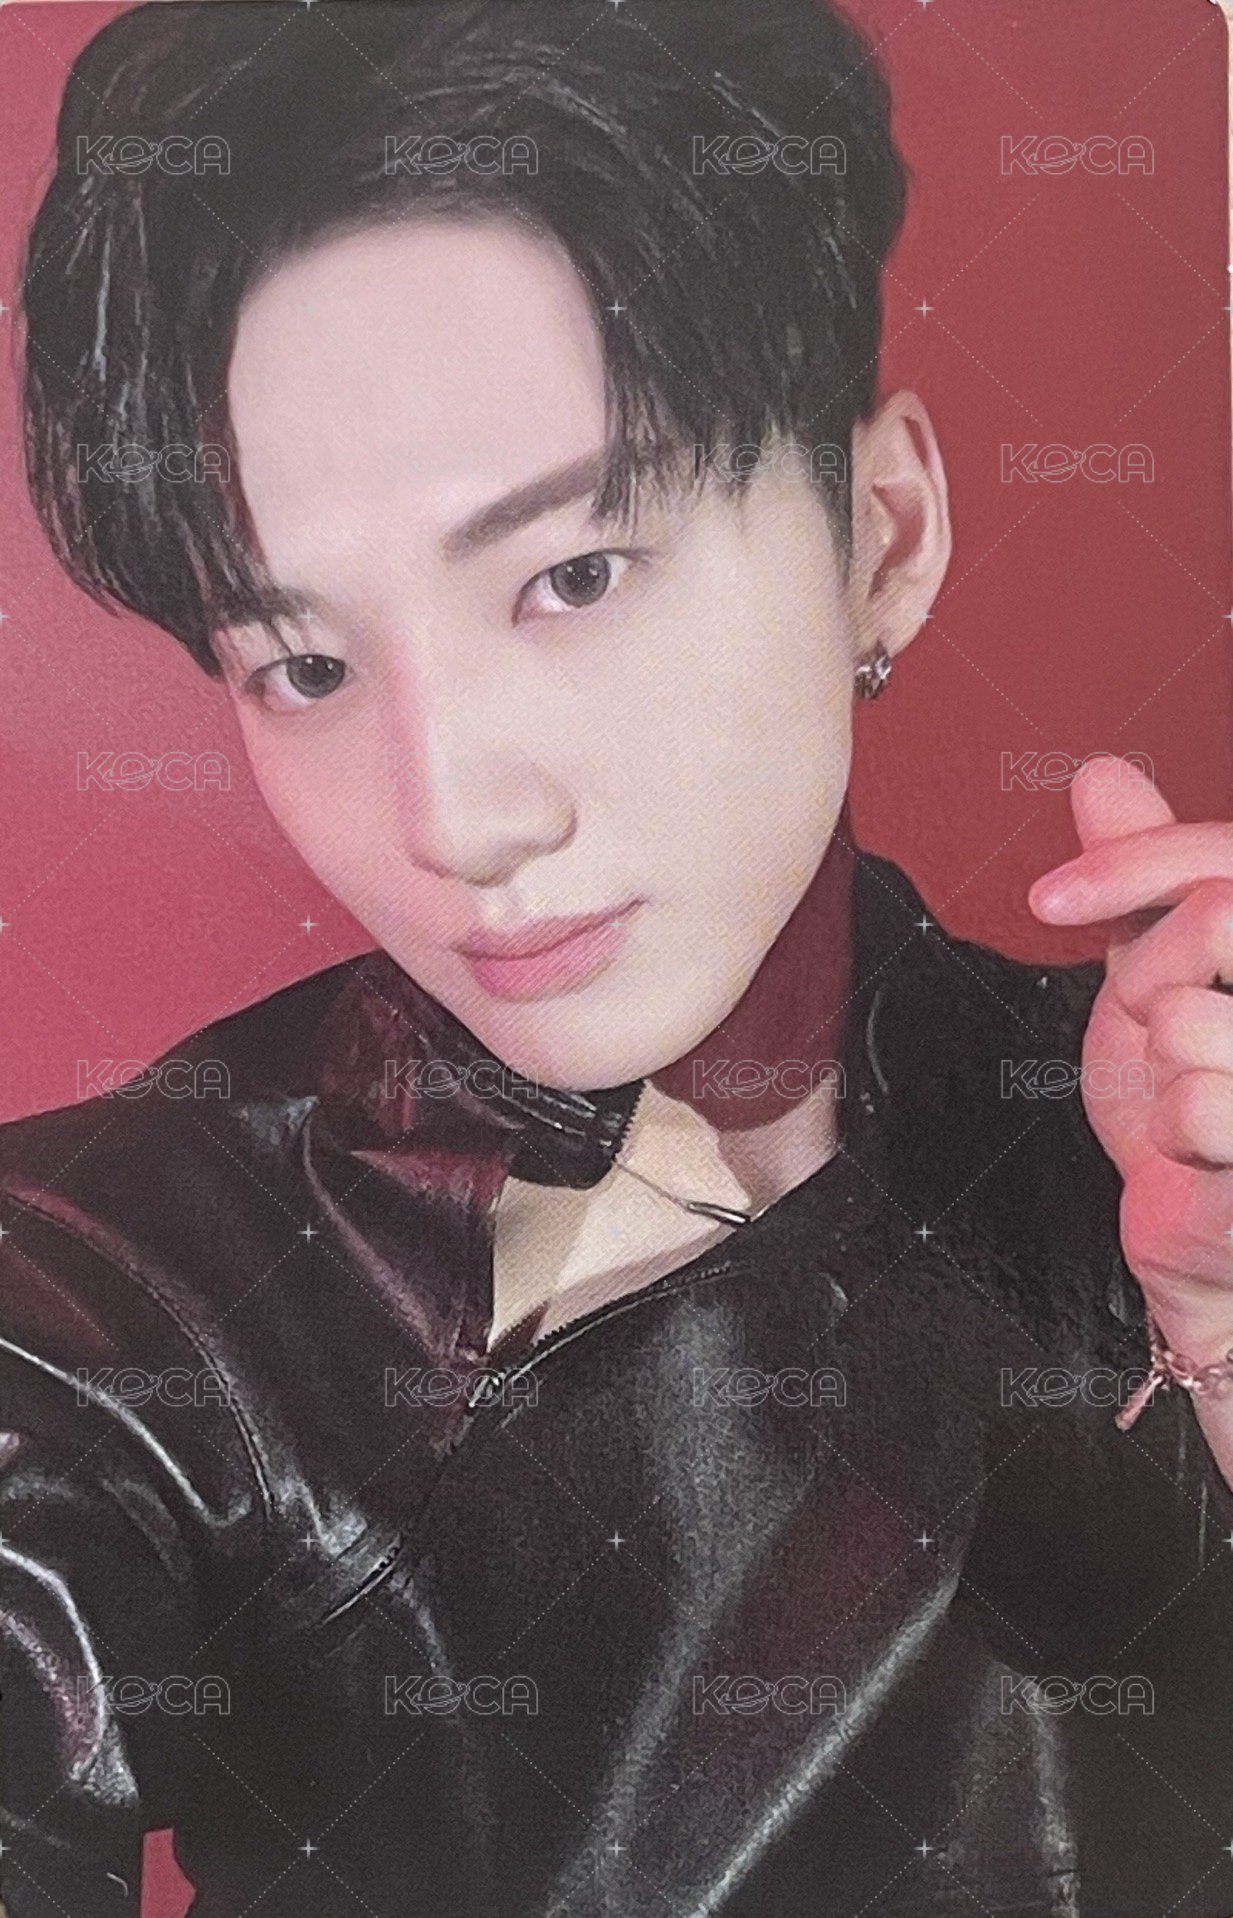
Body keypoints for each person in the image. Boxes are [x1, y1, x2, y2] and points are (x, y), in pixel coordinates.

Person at [5, 2, 1233, 1913]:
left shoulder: (1169, 1134)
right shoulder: (97, 1292)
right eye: (305, 665)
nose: (452, 817)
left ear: (882, 535)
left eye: (571, 573)